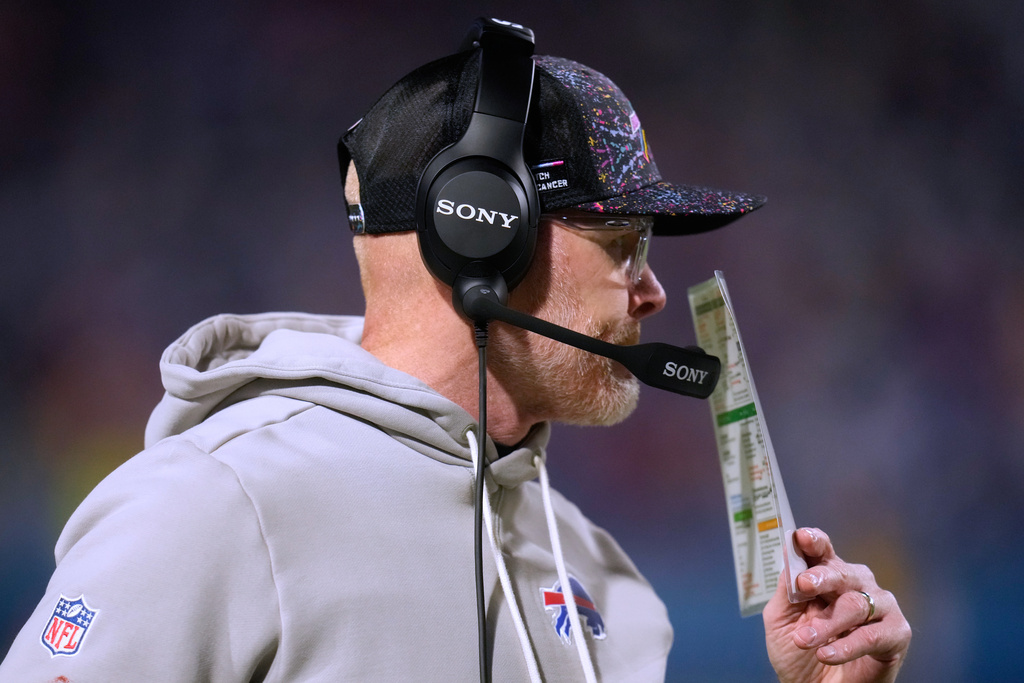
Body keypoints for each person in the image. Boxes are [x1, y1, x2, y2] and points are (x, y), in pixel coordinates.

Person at [0, 20, 910, 683]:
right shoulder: (214, 506)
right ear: (482, 234)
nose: (652, 292)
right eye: (621, 245)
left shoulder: (609, 582)